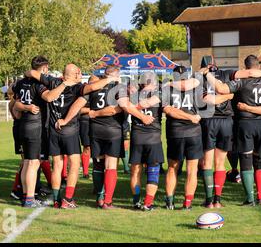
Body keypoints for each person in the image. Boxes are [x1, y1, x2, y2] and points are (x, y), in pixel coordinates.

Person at [57, 65, 153, 209]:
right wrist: (142, 116)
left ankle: (99, 198)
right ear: (116, 74)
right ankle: (107, 201)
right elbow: (123, 106)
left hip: (95, 130)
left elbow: (78, 104)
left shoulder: (94, 86)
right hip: (112, 130)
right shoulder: (118, 86)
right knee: (111, 165)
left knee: (98, 164)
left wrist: (65, 120)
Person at [203, 55, 261, 206]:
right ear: (258, 66)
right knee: (259, 162)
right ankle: (260, 197)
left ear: (245, 67)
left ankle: (250, 199)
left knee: (246, 162)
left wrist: (206, 74)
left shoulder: (242, 81)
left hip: (245, 124)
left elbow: (221, 88)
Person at [26, 64, 116, 209]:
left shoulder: (53, 82)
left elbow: (31, 72)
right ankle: (67, 199)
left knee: (57, 165)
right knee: (74, 164)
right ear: (76, 74)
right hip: (70, 130)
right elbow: (92, 88)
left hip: (53, 130)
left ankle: (56, 200)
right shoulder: (77, 87)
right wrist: (109, 79)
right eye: (78, 72)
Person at [13, 56, 74, 207]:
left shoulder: (21, 82)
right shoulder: (38, 83)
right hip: (36, 127)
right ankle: (29, 199)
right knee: (33, 163)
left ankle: (28, 196)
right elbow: (49, 97)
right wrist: (64, 84)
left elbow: (15, 103)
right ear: (45, 68)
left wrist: (26, 108)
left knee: (27, 162)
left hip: (23, 125)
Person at [163, 65, 203, 210]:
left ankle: (170, 202)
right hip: (193, 132)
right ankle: (187, 204)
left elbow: (168, 110)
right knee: (192, 170)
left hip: (176, 132)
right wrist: (191, 117)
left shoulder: (167, 87)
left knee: (172, 168)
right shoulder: (195, 85)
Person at [199, 57, 235, 208]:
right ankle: (218, 200)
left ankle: (209, 201)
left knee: (207, 162)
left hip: (209, 121)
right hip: (226, 121)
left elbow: (206, 99)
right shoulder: (227, 75)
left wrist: (215, 98)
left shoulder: (199, 78)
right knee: (220, 163)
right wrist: (226, 96)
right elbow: (231, 94)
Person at [128, 72, 164, 211]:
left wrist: (135, 110)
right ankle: (148, 203)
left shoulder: (133, 96)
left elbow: (128, 107)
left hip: (137, 136)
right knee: (153, 171)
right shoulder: (160, 94)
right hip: (153, 137)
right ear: (154, 82)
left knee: (135, 171)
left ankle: (136, 202)